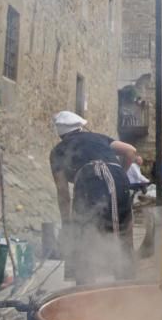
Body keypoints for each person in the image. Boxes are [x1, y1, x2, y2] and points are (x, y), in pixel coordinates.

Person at [49, 111, 137, 284]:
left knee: (85, 236)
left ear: (61, 135)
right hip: (118, 180)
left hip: (91, 180)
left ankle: (86, 289)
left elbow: (63, 192)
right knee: (123, 232)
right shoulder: (98, 137)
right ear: (80, 128)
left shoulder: (58, 151)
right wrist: (120, 172)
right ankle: (126, 287)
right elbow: (130, 151)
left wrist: (67, 223)